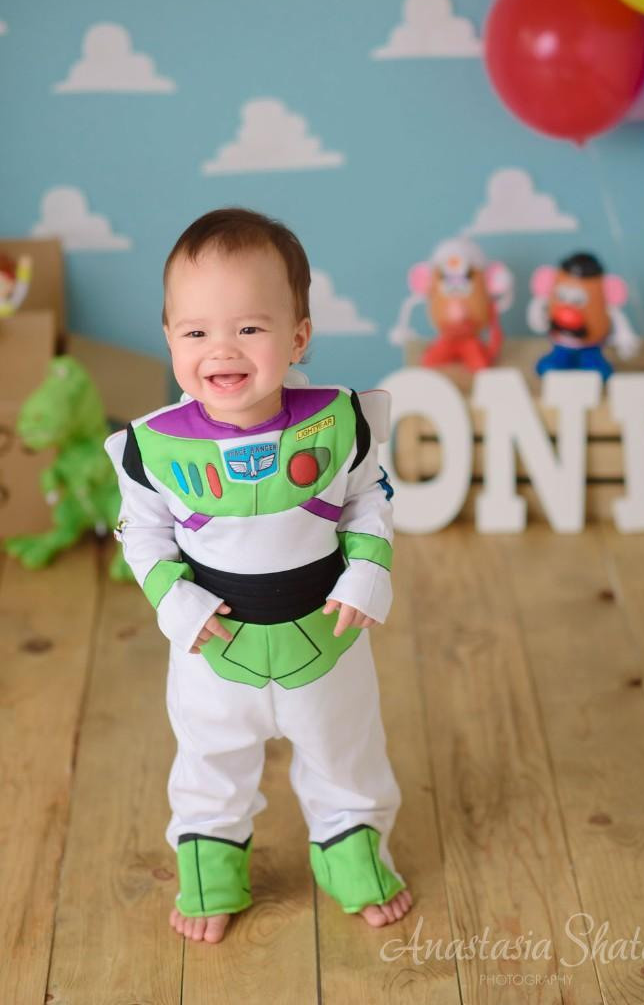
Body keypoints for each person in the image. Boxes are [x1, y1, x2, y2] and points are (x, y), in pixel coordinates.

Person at [104, 207, 412, 944]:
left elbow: (370, 499)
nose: (223, 349)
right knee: (209, 762)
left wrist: (368, 571)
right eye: (197, 331)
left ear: (298, 335)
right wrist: (174, 604)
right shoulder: (155, 448)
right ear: (171, 337)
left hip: (327, 637)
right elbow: (142, 534)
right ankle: (211, 867)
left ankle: (354, 850)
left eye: (249, 328)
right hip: (214, 648)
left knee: (348, 755)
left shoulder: (339, 424)